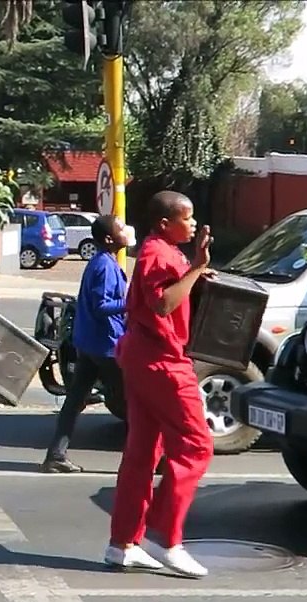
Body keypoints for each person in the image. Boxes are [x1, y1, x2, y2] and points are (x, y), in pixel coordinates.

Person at [106, 190, 215, 578]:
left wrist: (197, 271)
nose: (192, 224)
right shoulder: (157, 252)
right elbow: (162, 304)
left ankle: (123, 543)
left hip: (142, 355)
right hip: (161, 359)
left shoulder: (163, 249)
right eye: (186, 218)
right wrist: (195, 269)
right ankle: (166, 538)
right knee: (196, 446)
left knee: (144, 450)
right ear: (164, 223)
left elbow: (173, 290)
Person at [40, 214, 135, 473]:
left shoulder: (103, 262)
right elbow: (101, 305)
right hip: (106, 347)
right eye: (121, 228)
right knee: (135, 403)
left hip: (91, 344)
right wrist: (134, 303)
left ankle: (55, 456)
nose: (127, 231)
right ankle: (147, 460)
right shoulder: (104, 265)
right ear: (108, 238)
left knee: (74, 402)